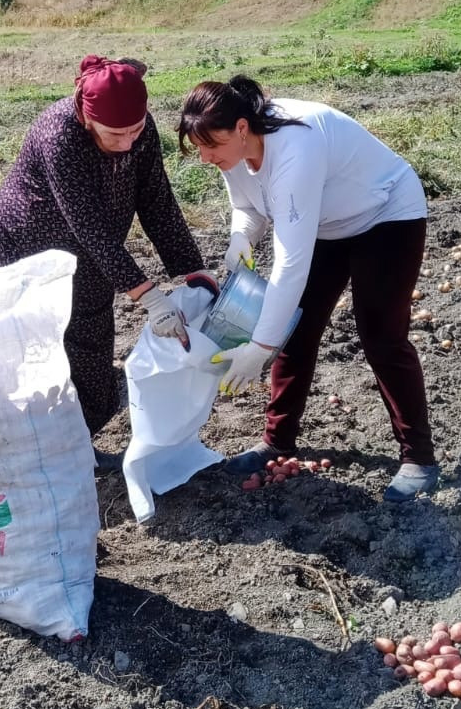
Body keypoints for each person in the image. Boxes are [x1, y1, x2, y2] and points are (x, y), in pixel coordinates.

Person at [177, 75, 438, 502]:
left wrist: (260, 348)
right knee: (297, 331)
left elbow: (291, 266)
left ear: (242, 127)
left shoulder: (296, 147)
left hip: (386, 213)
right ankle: (277, 441)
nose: (206, 157)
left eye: (212, 146)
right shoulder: (235, 153)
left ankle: (419, 458)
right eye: (199, 148)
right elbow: (247, 206)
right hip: (327, 224)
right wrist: (242, 235)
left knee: (381, 337)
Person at [0, 55, 216, 469]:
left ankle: (76, 443)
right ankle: (34, 450)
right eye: (115, 134)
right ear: (87, 117)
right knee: (41, 346)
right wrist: (148, 295)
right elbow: (87, 225)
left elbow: (157, 203)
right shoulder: (60, 134)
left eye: (136, 129)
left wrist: (190, 271)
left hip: (93, 252)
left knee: (90, 344)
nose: (128, 142)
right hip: (29, 244)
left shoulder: (140, 134)